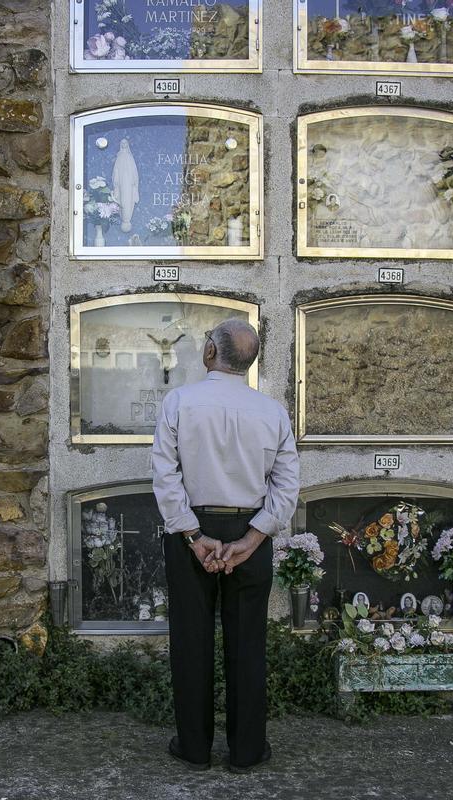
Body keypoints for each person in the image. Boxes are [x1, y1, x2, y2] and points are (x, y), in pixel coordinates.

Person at [151, 318, 300, 773]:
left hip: (191, 533)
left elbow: (165, 474)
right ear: (249, 361)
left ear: (210, 354)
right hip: (250, 532)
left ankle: (194, 748)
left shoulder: (179, 401)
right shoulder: (272, 412)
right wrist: (253, 539)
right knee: (248, 644)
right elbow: (287, 483)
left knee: (191, 641)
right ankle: (247, 751)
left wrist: (195, 537)